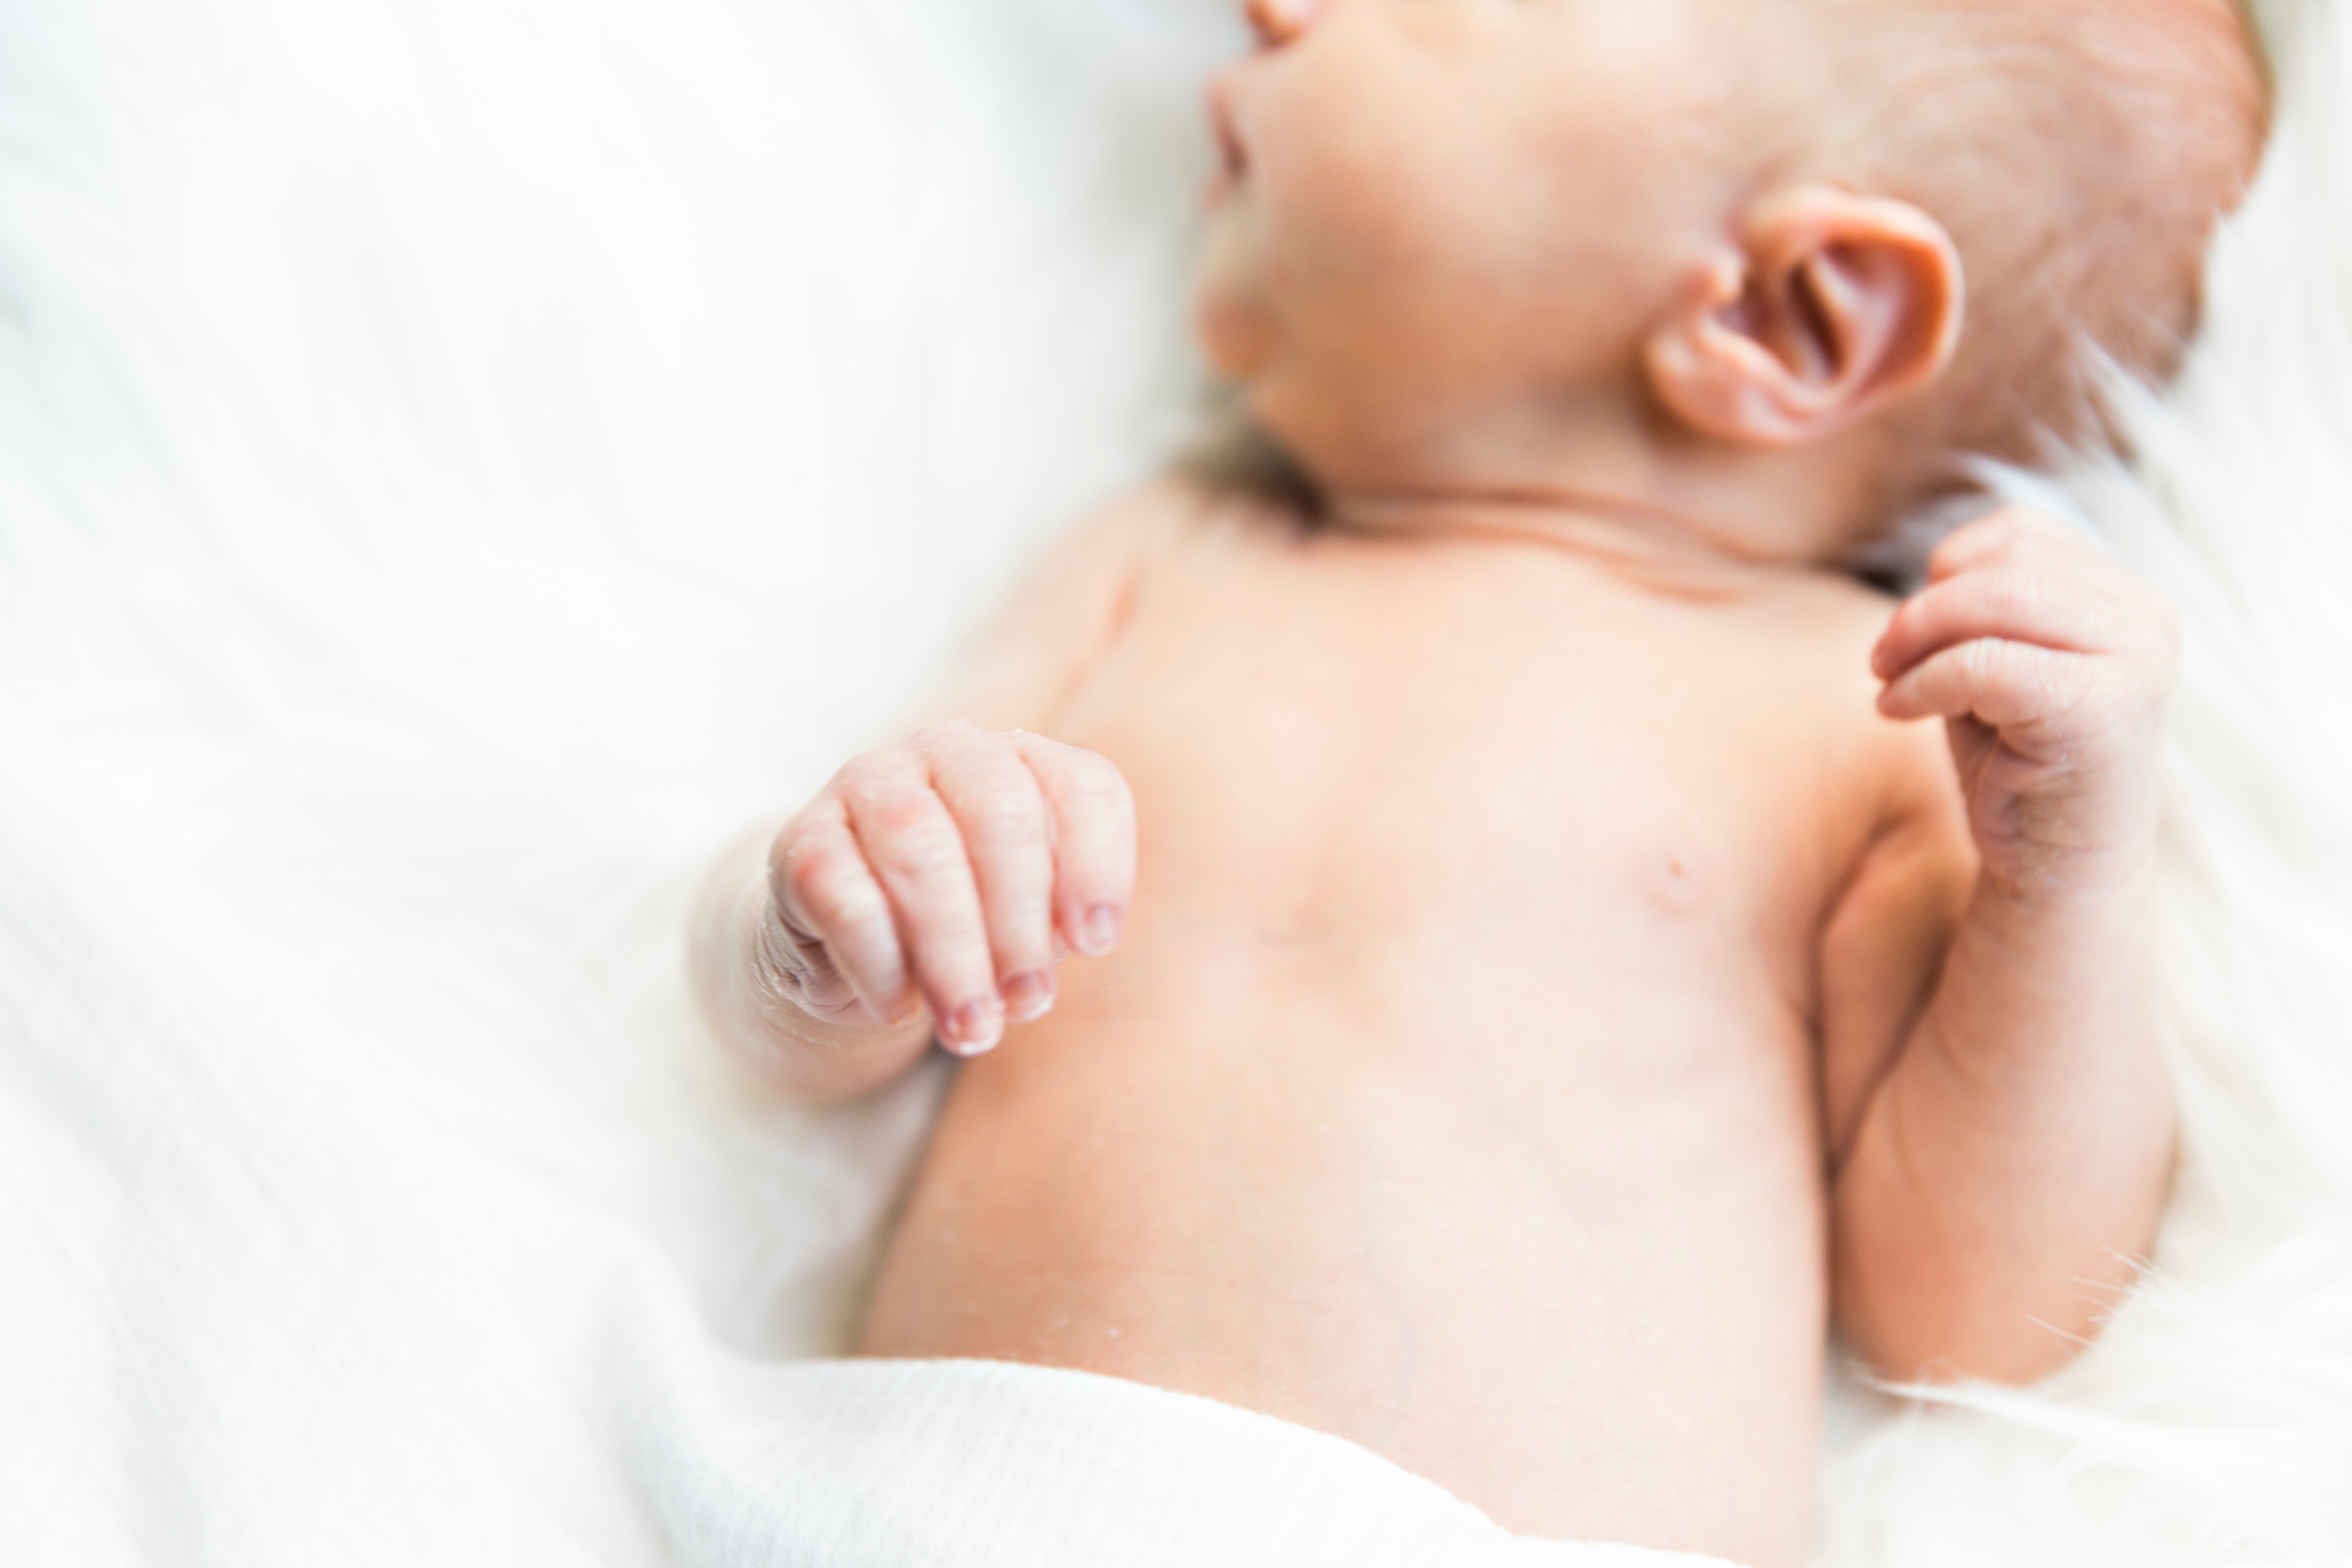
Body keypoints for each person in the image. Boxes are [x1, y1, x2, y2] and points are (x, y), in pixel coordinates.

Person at [691, 2, 2269, 1561]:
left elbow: (1977, 1314)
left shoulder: (1862, 717)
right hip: (920, 1493)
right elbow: (829, 1032)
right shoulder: (1160, 557)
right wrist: (821, 929)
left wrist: (2065, 878)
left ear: (1785, 316)